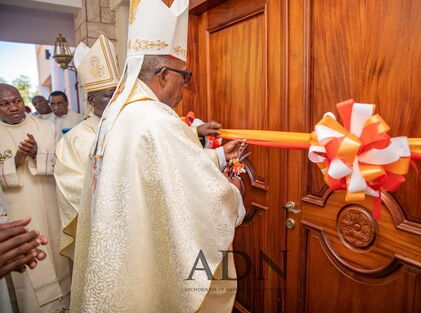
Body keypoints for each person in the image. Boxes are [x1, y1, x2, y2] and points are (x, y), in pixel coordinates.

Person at [70, 0, 246, 312]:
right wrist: (233, 189)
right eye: (185, 76)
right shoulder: (157, 120)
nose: (186, 86)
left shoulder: (118, 116)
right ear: (164, 75)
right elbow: (200, 198)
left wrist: (217, 156)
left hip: (120, 253)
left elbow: (159, 169)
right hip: (142, 253)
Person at [0, 84, 71, 312]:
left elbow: (64, 164)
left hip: (49, 206)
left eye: (17, 101)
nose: (13, 107)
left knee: (56, 257)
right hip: (16, 216)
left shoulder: (46, 128)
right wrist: (16, 161)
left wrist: (36, 154)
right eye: (5, 104)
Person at [54, 35, 121, 261]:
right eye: (107, 96)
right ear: (91, 101)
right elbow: (69, 186)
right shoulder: (74, 139)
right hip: (99, 225)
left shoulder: (127, 126)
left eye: (117, 96)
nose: (114, 102)